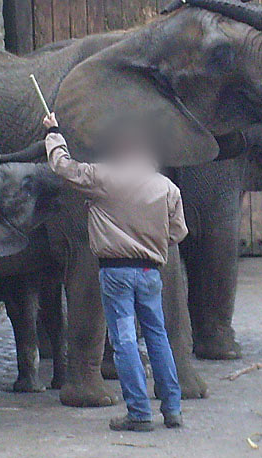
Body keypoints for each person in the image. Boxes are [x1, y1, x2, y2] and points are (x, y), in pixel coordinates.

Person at [43, 112, 186, 431]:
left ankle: (138, 413)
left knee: (124, 341)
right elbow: (178, 234)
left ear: (120, 151)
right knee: (157, 337)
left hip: (116, 274)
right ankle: (172, 409)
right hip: (151, 273)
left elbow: (64, 168)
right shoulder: (167, 187)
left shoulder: (104, 178)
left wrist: (53, 133)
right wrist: (150, 242)